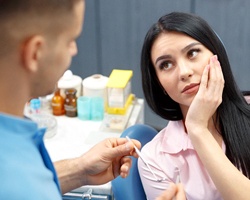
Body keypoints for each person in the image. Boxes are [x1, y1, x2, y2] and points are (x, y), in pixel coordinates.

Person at [0, 0, 142, 199]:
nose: (74, 50)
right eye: (70, 40)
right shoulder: (19, 185)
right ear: (35, 53)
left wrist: (80, 170)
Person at [139, 11, 250, 200]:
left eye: (192, 53)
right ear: (159, 83)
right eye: (166, 64)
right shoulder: (155, 160)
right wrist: (197, 127)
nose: (184, 72)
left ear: (216, 54)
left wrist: (197, 128)